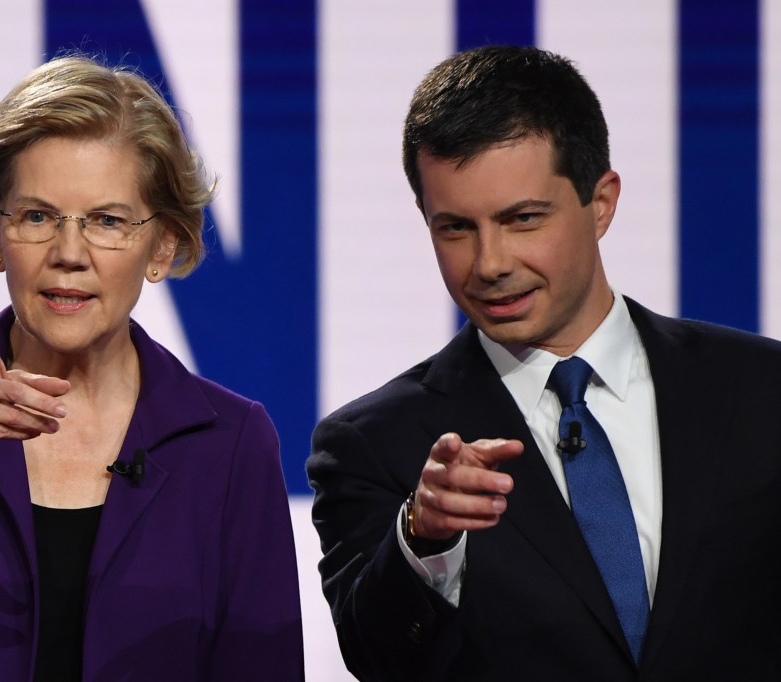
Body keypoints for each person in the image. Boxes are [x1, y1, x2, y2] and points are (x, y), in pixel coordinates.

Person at [0, 54, 304, 681]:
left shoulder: (229, 444)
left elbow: (259, 666)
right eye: (38, 216)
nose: (68, 254)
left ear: (162, 246)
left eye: (107, 221)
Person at [307, 44, 781, 681]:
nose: (490, 262)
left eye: (522, 219)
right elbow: (378, 659)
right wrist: (424, 539)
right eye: (455, 228)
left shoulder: (761, 391)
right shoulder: (376, 445)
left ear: (602, 202)